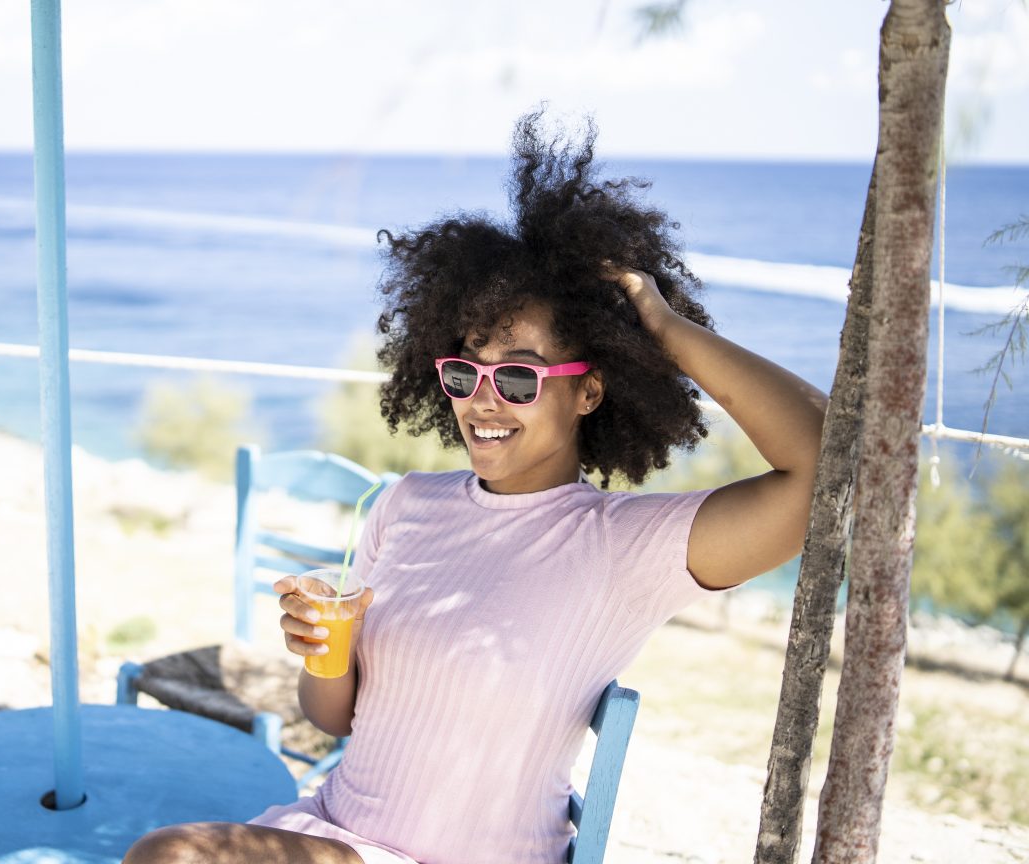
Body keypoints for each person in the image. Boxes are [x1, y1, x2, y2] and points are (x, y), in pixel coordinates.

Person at [123, 111, 829, 864]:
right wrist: (327, 652)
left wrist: (659, 325)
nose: (482, 402)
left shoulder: (626, 546)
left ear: (589, 390)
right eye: (465, 371)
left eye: (519, 377)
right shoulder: (406, 505)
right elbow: (333, 719)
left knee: (170, 857)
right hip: (336, 831)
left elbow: (825, 468)